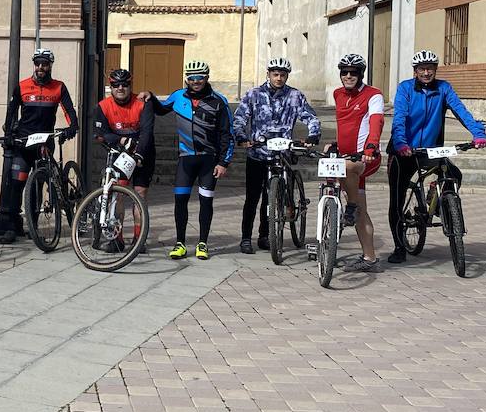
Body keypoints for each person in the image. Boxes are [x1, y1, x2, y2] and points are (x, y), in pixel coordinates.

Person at [386, 49, 486, 264]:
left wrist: (478, 133)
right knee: (396, 200)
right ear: (415, 71)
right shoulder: (405, 88)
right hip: (403, 151)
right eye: (422, 69)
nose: (426, 73)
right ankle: (399, 247)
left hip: (430, 149)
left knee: (454, 174)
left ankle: (439, 201)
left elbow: (461, 111)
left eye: (430, 69)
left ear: (435, 70)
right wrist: (401, 143)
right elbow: (399, 118)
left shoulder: (444, 88)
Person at [232, 57, 320, 255]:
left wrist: (313, 135)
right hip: (258, 152)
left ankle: (265, 235)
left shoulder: (295, 96)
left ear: (287, 76)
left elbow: (311, 117)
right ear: (269, 74)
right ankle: (246, 238)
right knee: (252, 198)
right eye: (275, 74)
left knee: (271, 198)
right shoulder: (254, 94)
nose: (279, 78)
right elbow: (239, 118)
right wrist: (241, 136)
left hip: (282, 154)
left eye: (282, 75)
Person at [0, 47, 79, 244]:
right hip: (24, 142)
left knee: (37, 185)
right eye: (38, 63)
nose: (41, 67)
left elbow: (69, 109)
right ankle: (12, 228)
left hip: (45, 142)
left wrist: (73, 126)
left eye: (45, 64)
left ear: (50, 66)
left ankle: (33, 226)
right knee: (17, 183)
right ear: (34, 65)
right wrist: (9, 134)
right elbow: (11, 112)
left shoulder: (58, 87)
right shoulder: (22, 86)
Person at [154, 60, 233, 260]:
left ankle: (202, 243)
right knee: (180, 201)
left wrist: (223, 162)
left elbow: (227, 134)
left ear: (207, 77)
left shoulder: (219, 101)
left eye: (200, 77)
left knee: (206, 202)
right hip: (185, 159)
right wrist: (148, 96)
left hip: (209, 160)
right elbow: (160, 109)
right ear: (186, 79)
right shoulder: (178, 96)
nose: (196, 81)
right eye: (191, 77)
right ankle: (180, 243)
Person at [91, 67, 158, 253]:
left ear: (130, 85)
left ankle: (139, 239)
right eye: (116, 85)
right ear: (111, 87)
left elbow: (146, 133)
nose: (120, 88)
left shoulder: (142, 104)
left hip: (143, 153)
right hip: (120, 154)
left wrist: (139, 155)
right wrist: (120, 140)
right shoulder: (103, 106)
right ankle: (117, 240)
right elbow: (99, 134)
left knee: (140, 195)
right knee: (117, 196)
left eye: (125, 84)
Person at [328, 53, 384, 273]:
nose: (349, 76)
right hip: (345, 157)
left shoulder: (373, 95)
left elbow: (376, 121)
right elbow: (344, 124)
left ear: (361, 74)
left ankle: (350, 206)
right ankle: (370, 258)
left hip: (366, 157)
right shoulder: (337, 94)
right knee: (361, 211)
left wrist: (371, 146)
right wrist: (335, 143)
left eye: (354, 72)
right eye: (345, 72)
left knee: (349, 170)